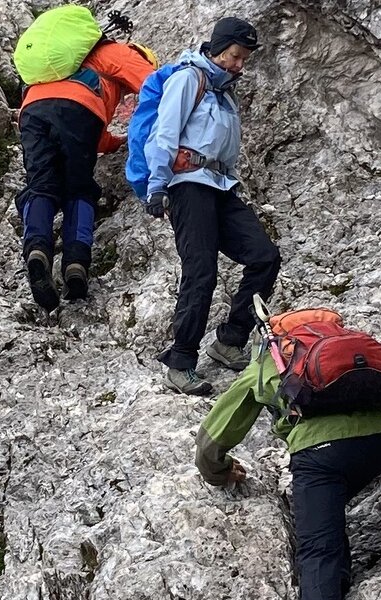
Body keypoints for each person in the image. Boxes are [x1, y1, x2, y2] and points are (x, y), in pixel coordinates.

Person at [194, 311, 381, 600]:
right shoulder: (347, 343)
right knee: (330, 503)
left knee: (318, 550)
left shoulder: (271, 360)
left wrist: (219, 471)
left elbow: (214, 437)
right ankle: (341, 571)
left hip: (323, 457)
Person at [142, 17, 279, 395]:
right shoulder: (189, 80)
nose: (239, 65)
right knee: (201, 271)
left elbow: (227, 150)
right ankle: (181, 361)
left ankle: (229, 340)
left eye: (244, 59)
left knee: (264, 256)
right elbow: (165, 133)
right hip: (188, 187)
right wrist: (157, 186)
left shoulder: (225, 94)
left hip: (221, 188)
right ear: (218, 48)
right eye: (235, 56)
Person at [15, 26, 157, 310]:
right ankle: (76, 263)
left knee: (41, 184)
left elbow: (98, 137)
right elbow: (155, 84)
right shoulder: (120, 52)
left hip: (31, 109)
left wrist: (116, 142)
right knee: (79, 188)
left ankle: (36, 251)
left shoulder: (62, 66)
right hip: (78, 108)